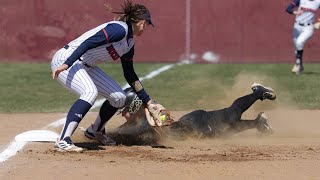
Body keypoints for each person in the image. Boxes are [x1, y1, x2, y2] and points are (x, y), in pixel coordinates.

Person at [51, 1, 163, 152]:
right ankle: (64, 140)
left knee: (119, 98)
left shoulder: (129, 43)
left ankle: (94, 131)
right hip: (67, 59)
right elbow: (87, 43)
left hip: (86, 66)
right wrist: (67, 63)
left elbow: (130, 74)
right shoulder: (119, 30)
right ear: (142, 22)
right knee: (89, 92)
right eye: (148, 24)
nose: (148, 27)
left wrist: (148, 102)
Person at [115, 83, 276, 144]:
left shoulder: (148, 115)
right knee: (227, 130)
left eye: (125, 111)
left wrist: (114, 135)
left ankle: (258, 93)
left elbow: (133, 131)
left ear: (134, 106)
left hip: (197, 124)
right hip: (195, 126)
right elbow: (127, 130)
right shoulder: (140, 118)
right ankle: (258, 123)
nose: (123, 115)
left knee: (231, 115)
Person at [286, 0, 320, 75]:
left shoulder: (318, 2)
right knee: (297, 47)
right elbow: (288, 8)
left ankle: (298, 64)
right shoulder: (301, 0)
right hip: (297, 26)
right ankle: (300, 66)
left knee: (299, 42)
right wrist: (295, 12)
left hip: (308, 27)